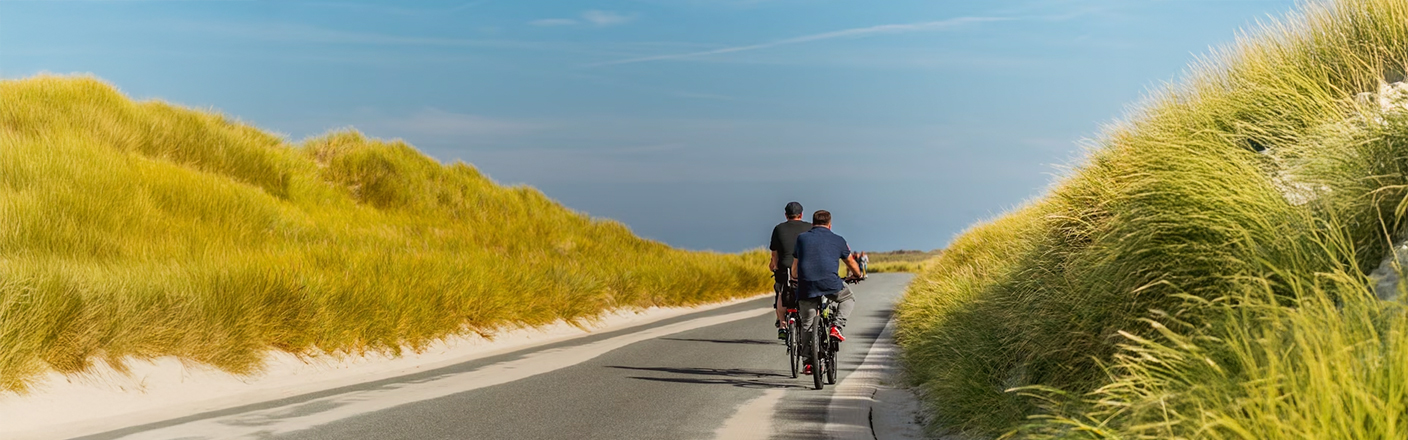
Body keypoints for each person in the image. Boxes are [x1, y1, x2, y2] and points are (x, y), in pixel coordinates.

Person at [791, 209, 860, 375]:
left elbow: (795, 266)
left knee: (807, 322)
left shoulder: (802, 238)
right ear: (830, 224)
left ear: (813, 223)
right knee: (848, 298)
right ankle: (837, 326)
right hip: (830, 284)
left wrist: (794, 278)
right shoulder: (837, 239)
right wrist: (858, 275)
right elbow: (850, 261)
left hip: (806, 285)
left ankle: (808, 363)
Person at [769, 201, 812, 340]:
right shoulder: (810, 227)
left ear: (786, 215)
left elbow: (774, 253)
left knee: (782, 291)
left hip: (785, 266)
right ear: (801, 214)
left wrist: (774, 266)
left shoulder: (779, 228)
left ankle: (782, 325)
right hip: (806, 268)